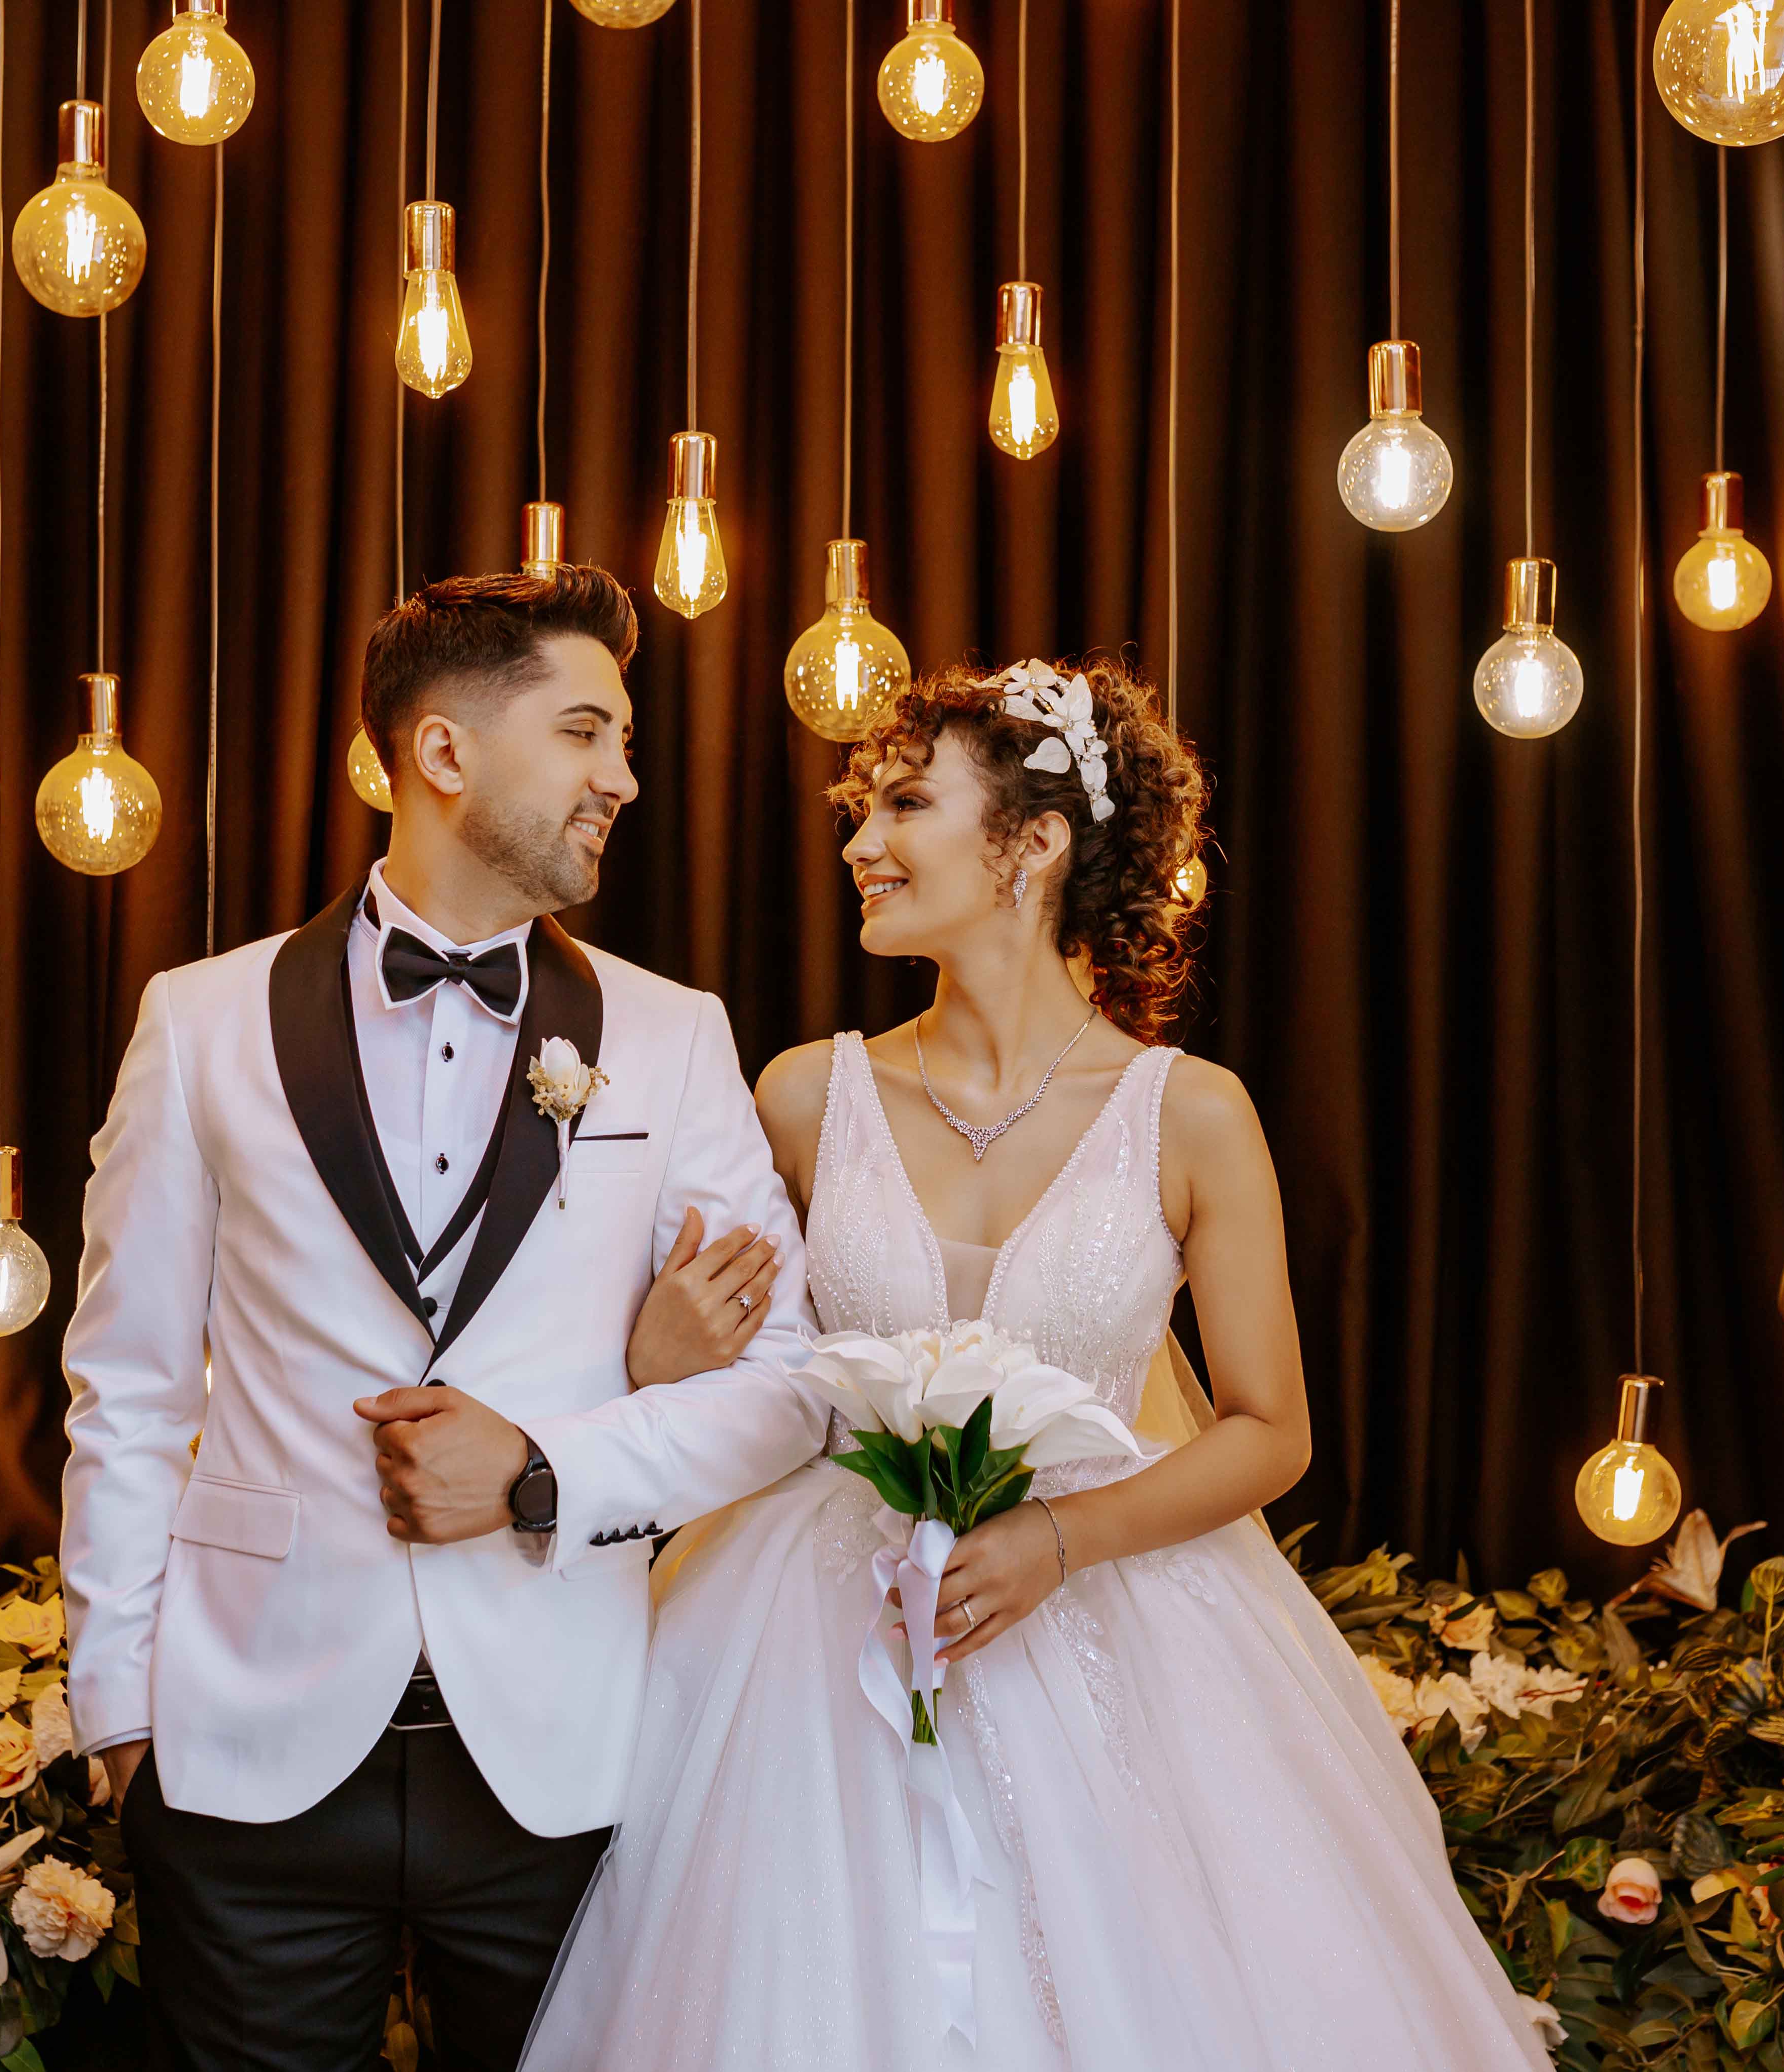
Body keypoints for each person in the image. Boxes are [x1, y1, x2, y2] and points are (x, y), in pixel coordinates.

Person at [524, 658, 1553, 2069]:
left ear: (1039, 841)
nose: (860, 843)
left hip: (1116, 1616)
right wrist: (656, 1358)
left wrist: (1058, 1542)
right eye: (863, 810)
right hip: (810, 1634)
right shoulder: (805, 1094)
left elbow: (1269, 1429)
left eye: (905, 805)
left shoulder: (1192, 1115)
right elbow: (743, 1367)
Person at [58, 567, 827, 2072]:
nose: (624, 778)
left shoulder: (675, 1037)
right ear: (444, 751)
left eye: (622, 741)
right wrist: (122, 1714)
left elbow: (792, 1382)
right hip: (245, 1760)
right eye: (587, 733)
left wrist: (542, 1469)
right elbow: (129, 1388)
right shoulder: (198, 1020)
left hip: (567, 1756)